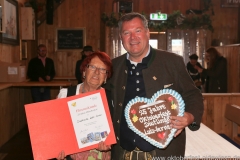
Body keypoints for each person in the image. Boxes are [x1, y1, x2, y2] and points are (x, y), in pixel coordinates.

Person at [105, 12, 204, 159]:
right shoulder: (113, 66)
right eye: (127, 33)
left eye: (138, 31)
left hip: (165, 152)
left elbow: (192, 94)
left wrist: (189, 116)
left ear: (147, 33)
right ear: (121, 38)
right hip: (122, 153)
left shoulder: (172, 62)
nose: (133, 38)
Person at [57, 51, 113, 160]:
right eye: (92, 67)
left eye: (102, 69)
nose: (97, 72)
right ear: (84, 71)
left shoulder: (110, 98)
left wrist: (109, 143)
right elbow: (57, 129)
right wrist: (58, 149)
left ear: (106, 76)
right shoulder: (66, 94)